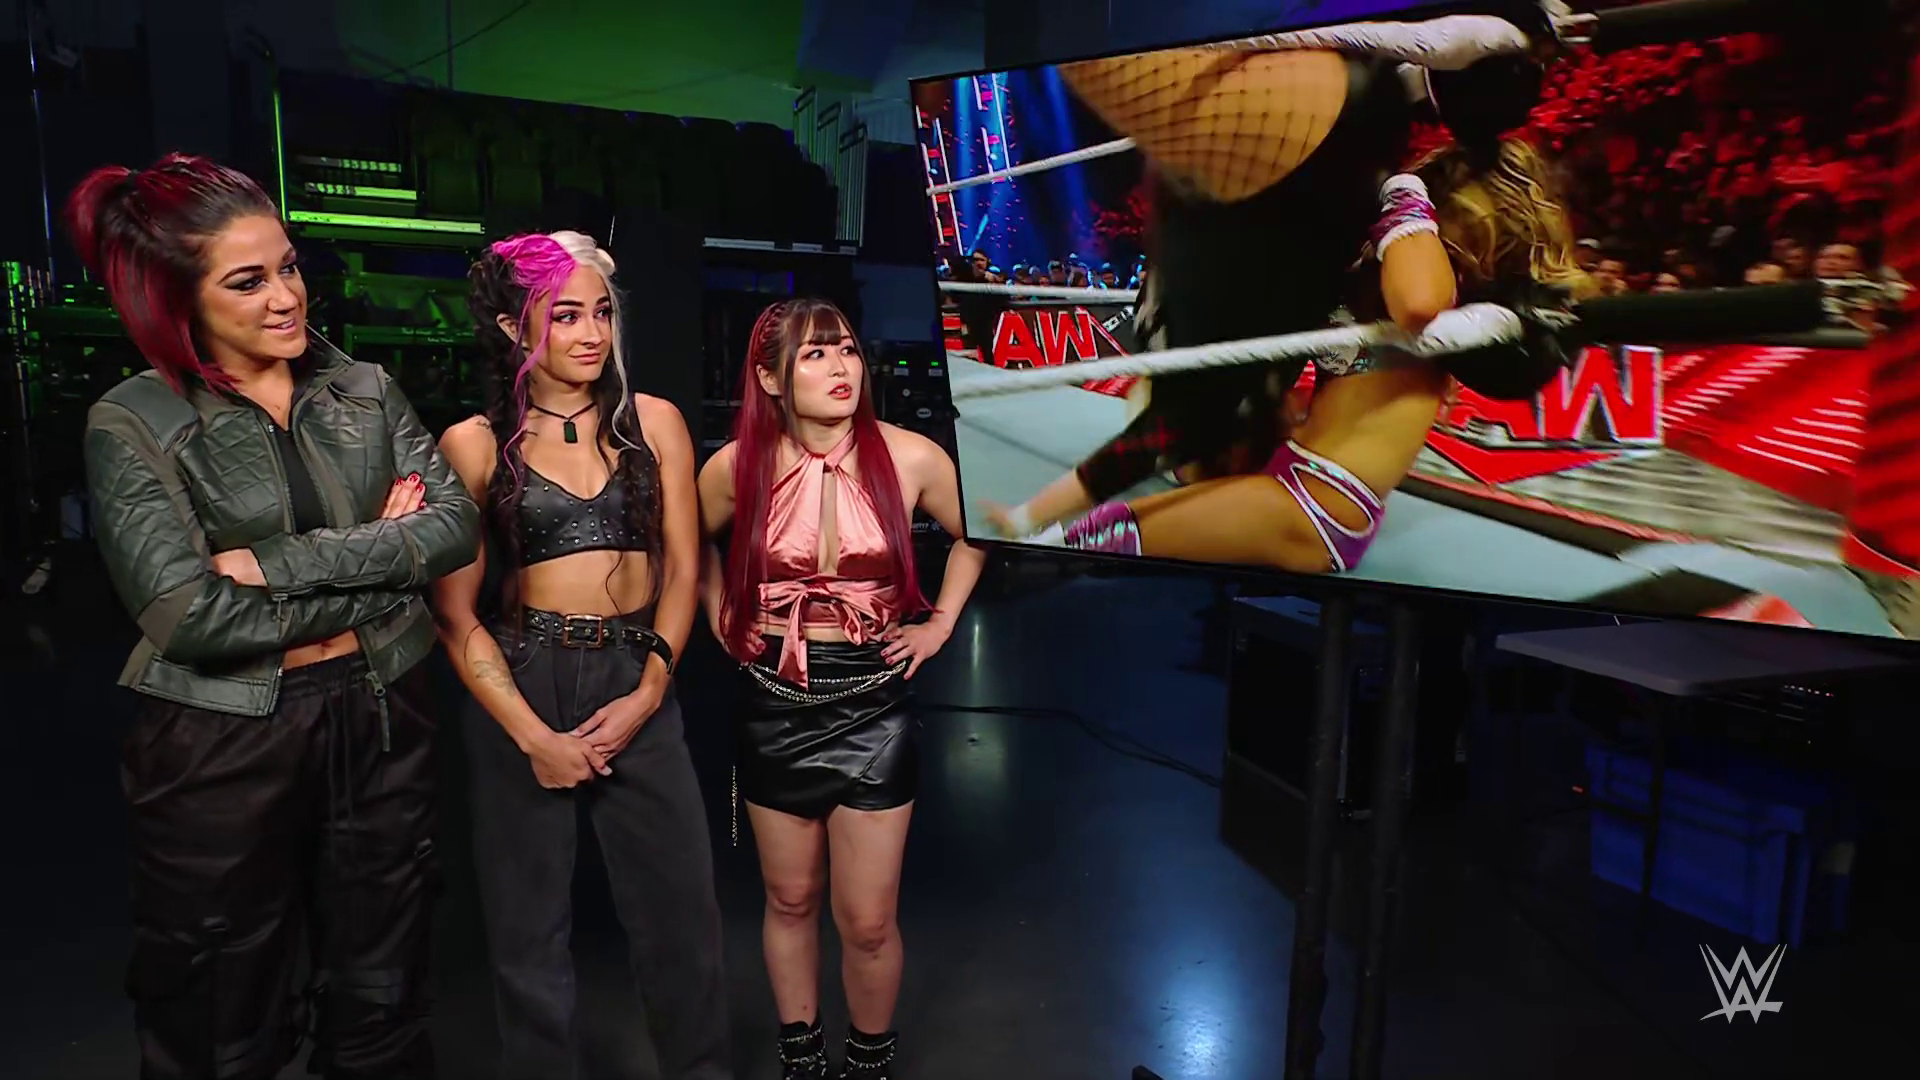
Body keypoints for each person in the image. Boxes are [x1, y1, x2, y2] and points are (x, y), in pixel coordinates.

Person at [72, 153, 481, 1080]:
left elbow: (454, 527)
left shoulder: (363, 389)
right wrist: (388, 560)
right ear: (178, 299)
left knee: (385, 991)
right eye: (247, 281)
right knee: (217, 1008)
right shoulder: (132, 421)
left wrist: (275, 565)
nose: (287, 297)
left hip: (382, 710)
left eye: (288, 267)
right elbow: (190, 616)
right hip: (224, 742)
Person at [983, 5, 1565, 540]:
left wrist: (1402, 197)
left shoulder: (1381, 260)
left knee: (1121, 517)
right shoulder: (1352, 269)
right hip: (1317, 151)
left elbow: (1421, 308)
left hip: (1314, 491)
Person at [431, 231, 731, 1079]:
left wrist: (649, 692)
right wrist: (532, 736)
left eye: (602, 312)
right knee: (527, 929)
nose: (592, 333)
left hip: (635, 668)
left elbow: (684, 570)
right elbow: (455, 616)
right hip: (525, 678)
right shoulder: (475, 443)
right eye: (565, 315)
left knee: (682, 916)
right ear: (512, 326)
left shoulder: (655, 422)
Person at [1054, 136, 1593, 571]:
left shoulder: (1427, 280)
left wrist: (1401, 192)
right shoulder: (1393, 267)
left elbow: (1417, 304)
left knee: (1096, 536)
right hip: (1292, 470)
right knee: (1119, 511)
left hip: (1319, 506)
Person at [698, 298, 986, 1079]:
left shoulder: (913, 456)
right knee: (790, 900)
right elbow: (689, 544)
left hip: (874, 704)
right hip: (775, 697)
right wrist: (722, 614)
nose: (840, 368)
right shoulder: (736, 465)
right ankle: (801, 1059)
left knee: (867, 919)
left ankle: (868, 1063)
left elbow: (975, 535)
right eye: (816, 354)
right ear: (770, 378)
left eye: (848, 351)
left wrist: (939, 623)